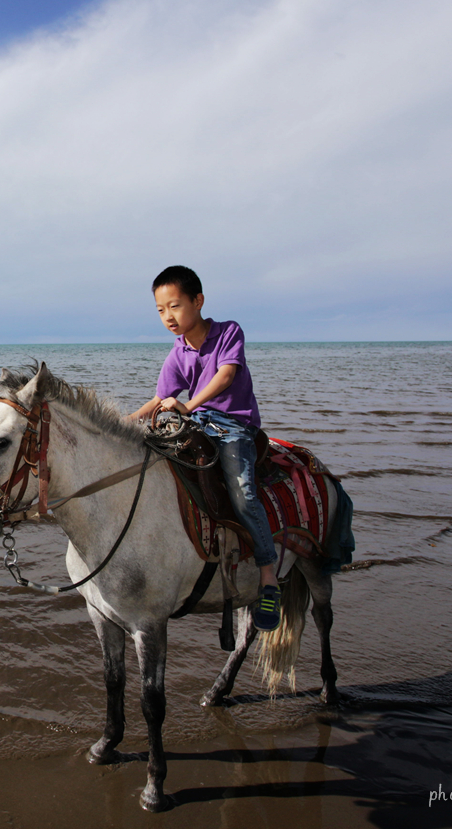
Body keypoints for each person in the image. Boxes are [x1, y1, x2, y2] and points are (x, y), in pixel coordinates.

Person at [127, 265, 281, 631]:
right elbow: (161, 398)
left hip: (233, 428)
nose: (168, 317)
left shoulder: (228, 332)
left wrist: (189, 405)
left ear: (198, 301)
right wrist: (123, 424)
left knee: (243, 493)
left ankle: (269, 576)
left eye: (175, 306)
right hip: (196, 425)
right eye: (161, 310)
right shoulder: (178, 352)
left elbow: (225, 376)